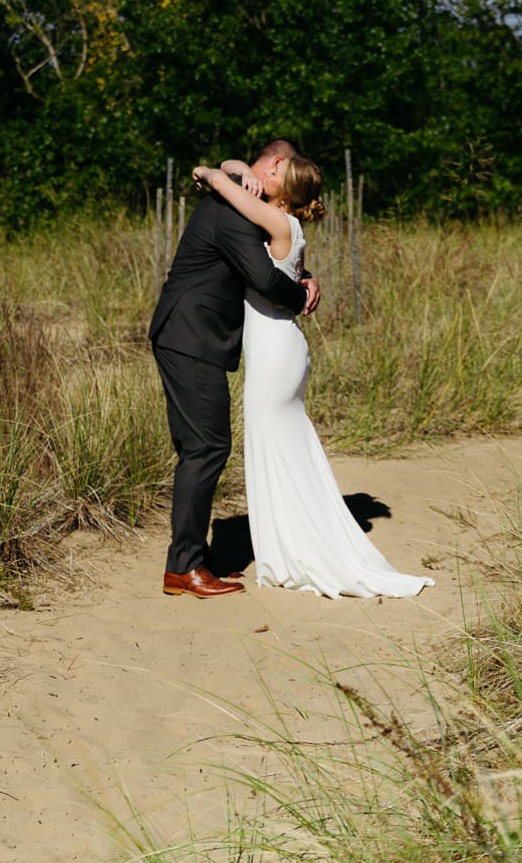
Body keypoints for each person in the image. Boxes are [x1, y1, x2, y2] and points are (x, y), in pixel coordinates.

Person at [193, 153, 433, 600]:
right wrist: (240, 166)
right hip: (277, 351)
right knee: (281, 452)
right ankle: (285, 547)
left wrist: (210, 173)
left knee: (276, 451)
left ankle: (294, 551)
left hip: (275, 355)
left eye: (274, 173)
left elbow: (224, 186)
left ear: (284, 191)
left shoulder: (281, 224)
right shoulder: (283, 225)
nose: (266, 173)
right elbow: (237, 168)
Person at [148, 140, 319, 598]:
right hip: (191, 335)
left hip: (191, 335)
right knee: (206, 447)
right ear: (278, 165)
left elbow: (271, 257)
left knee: (200, 447)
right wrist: (301, 294)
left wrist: (301, 273)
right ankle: (183, 566)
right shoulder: (232, 209)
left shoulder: (242, 198)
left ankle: (193, 558)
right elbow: (262, 277)